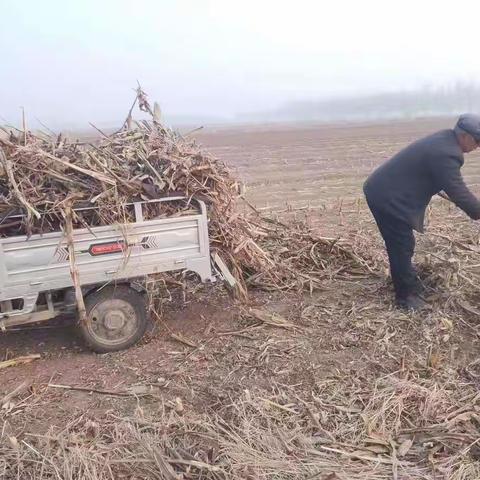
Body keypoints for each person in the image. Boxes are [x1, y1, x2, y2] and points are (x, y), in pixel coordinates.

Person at [363, 114, 480, 311]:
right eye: (478, 141)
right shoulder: (447, 153)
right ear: (465, 136)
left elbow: (441, 180)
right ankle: (406, 298)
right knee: (401, 245)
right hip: (387, 198)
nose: (478, 147)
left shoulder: (444, 139)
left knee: (402, 244)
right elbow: (458, 191)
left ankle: (409, 282)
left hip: (384, 190)